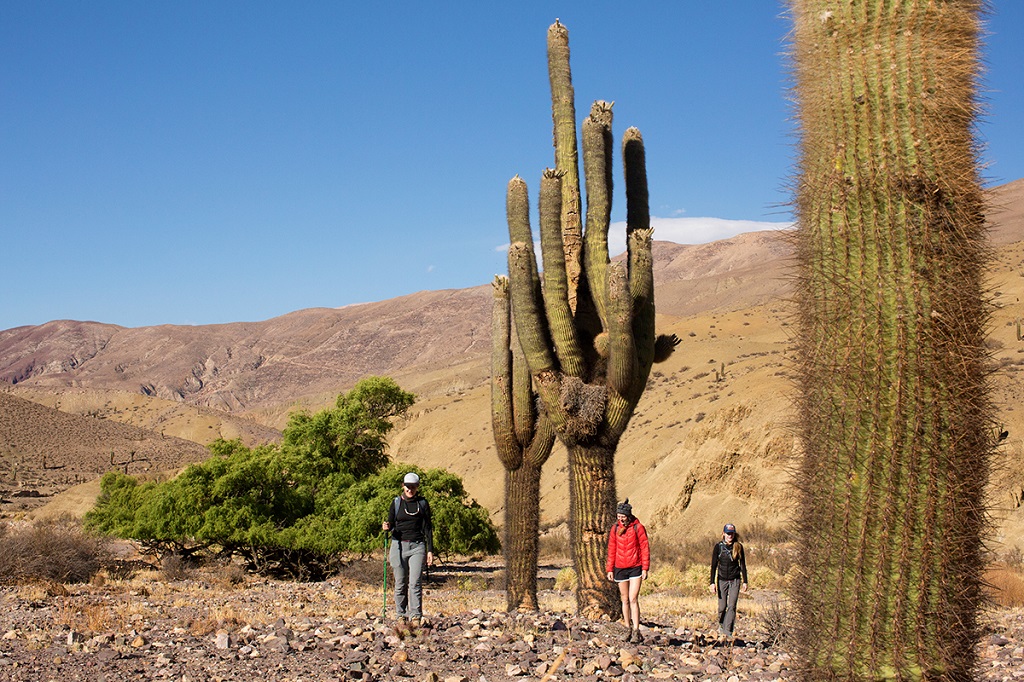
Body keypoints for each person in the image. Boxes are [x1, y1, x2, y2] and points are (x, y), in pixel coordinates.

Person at [382, 472, 434, 625]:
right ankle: (401, 614)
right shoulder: (396, 503)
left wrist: (430, 550)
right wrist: (387, 526)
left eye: (413, 486)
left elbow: (428, 528)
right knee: (400, 582)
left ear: (417, 487)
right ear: (402, 486)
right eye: (407, 486)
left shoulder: (423, 504)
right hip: (398, 545)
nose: (410, 489)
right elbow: (390, 523)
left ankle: (416, 615)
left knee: (415, 582)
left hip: (417, 546)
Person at [605, 499, 650, 643]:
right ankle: (627, 629)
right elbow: (612, 549)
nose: (620, 519)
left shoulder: (638, 527)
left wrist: (645, 568)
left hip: (635, 567)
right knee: (624, 599)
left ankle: (636, 630)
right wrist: (609, 568)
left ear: (628, 515)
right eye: (618, 517)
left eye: (622, 517)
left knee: (633, 598)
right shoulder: (614, 529)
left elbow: (644, 548)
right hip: (620, 568)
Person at [708, 522, 748, 641]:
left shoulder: (738, 547)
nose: (730, 536)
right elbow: (713, 565)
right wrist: (712, 582)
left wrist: (745, 581)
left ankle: (728, 631)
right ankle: (721, 623)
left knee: (732, 606)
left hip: (735, 580)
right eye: (728, 533)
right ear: (723, 534)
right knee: (722, 606)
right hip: (721, 580)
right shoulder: (718, 547)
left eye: (732, 533)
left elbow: (743, 565)